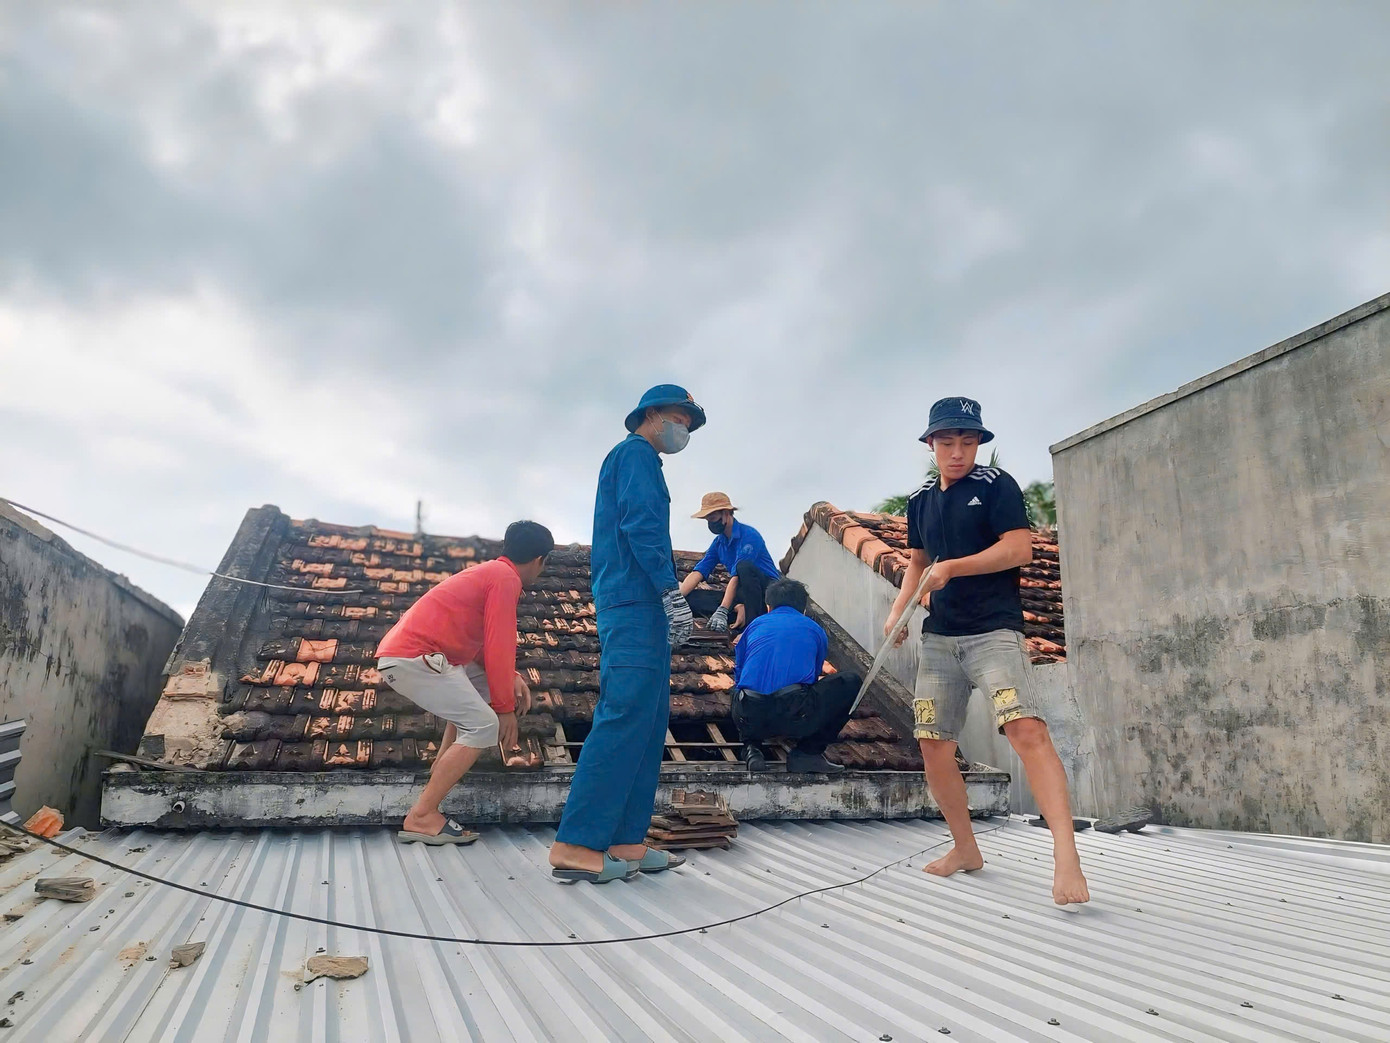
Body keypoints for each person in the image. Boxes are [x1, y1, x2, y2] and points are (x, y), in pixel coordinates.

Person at [885, 396, 1090, 906]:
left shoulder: (996, 486)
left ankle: (1067, 858)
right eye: (948, 442)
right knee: (932, 743)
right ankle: (965, 849)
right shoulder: (920, 500)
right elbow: (917, 561)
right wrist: (898, 612)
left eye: (969, 442)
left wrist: (956, 567)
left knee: (1025, 729)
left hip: (994, 633)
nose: (958, 452)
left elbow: (1020, 549)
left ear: (979, 443)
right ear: (930, 443)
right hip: (940, 637)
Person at [548, 384, 705, 883]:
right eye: (679, 418)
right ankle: (576, 844)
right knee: (622, 717)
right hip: (635, 601)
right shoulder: (634, 454)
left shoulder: (645, 462)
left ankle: (626, 842)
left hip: (644, 605)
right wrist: (669, 590)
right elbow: (641, 527)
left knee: (648, 720)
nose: (684, 429)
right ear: (652, 415)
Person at [377, 520, 555, 845]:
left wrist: (511, 679)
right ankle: (422, 815)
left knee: (480, 694)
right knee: (484, 726)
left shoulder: (490, 572)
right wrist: (503, 710)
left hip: (413, 657)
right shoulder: (505, 579)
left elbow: (487, 649)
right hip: (416, 657)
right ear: (540, 560)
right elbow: (500, 641)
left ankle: (437, 779)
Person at [731, 578, 861, 774]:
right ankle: (808, 754)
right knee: (851, 681)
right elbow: (813, 678)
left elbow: (739, 673)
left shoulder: (755, 625)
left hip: (748, 714)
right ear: (803, 609)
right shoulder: (814, 629)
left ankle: (752, 749)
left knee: (738, 689)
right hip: (794, 712)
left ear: (768, 607)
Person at [678, 493, 781, 632]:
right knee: (691, 599)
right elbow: (699, 571)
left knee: (743, 568)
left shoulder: (749, 536)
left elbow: (737, 575)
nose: (711, 523)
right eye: (708, 520)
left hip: (766, 592)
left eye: (713, 518)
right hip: (741, 593)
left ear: (726, 513)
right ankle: (739, 609)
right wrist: (677, 598)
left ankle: (752, 627)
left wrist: (723, 609)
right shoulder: (719, 543)